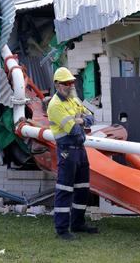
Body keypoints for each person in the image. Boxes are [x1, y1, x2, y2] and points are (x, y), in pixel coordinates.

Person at [47, 67, 98, 240]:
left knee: (83, 188)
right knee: (65, 190)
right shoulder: (55, 105)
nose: (69, 86)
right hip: (67, 152)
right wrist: (81, 121)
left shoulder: (72, 100)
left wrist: (82, 119)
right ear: (56, 84)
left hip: (80, 150)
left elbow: (92, 117)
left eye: (71, 82)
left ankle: (77, 223)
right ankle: (62, 229)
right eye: (66, 83)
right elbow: (74, 130)